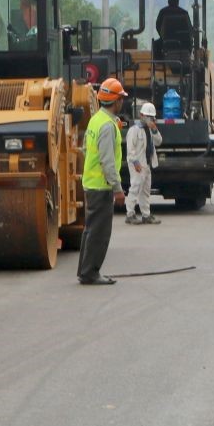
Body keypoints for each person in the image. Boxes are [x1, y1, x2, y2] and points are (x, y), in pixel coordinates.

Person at [78, 77, 126, 285]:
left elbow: (86, 149)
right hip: (101, 187)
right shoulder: (107, 126)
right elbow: (107, 161)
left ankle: (85, 270)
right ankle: (90, 272)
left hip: (91, 184)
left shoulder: (96, 119)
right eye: (121, 98)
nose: (122, 101)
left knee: (90, 230)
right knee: (99, 232)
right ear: (116, 101)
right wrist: (117, 189)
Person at [125, 102, 163, 225]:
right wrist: (135, 162)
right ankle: (130, 214)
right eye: (148, 116)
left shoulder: (150, 130)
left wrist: (155, 129)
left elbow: (159, 142)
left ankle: (146, 215)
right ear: (141, 115)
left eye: (151, 117)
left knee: (145, 190)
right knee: (135, 188)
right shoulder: (134, 130)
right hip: (137, 165)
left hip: (147, 164)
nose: (150, 119)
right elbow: (130, 149)